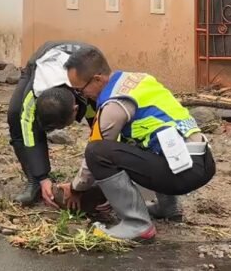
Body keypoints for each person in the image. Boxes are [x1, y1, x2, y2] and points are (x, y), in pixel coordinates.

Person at [36, 48, 215, 241]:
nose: (82, 96)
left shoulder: (114, 104)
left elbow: (96, 153)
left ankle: (137, 224)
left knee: (97, 152)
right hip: (202, 160)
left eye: (80, 89)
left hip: (183, 173)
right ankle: (168, 208)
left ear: (97, 79)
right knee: (148, 142)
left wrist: (75, 188)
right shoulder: (138, 80)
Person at [8, 41, 99, 206]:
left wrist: (87, 182)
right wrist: (42, 177)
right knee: (15, 118)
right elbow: (28, 129)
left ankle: (101, 184)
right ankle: (34, 182)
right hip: (38, 63)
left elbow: (103, 132)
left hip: (82, 65)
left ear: (75, 109)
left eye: (61, 126)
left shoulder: (92, 88)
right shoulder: (34, 93)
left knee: (102, 132)